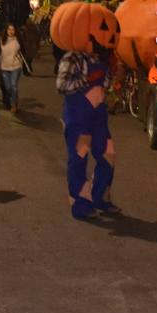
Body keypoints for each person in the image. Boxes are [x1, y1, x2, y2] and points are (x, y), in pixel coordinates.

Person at [57, 38, 118, 219]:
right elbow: (61, 85)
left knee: (108, 155)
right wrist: (86, 80)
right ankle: (81, 204)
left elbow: (105, 84)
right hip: (78, 119)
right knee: (79, 159)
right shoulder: (72, 58)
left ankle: (99, 198)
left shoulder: (99, 59)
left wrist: (113, 75)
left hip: (98, 118)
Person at [0, 23, 24, 112]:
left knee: (13, 85)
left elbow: (23, 51)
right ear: (6, 30)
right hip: (4, 67)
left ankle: (14, 105)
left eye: (13, 30)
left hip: (16, 66)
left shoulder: (18, 40)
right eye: (9, 29)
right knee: (8, 87)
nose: (11, 32)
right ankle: (10, 101)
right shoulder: (2, 40)